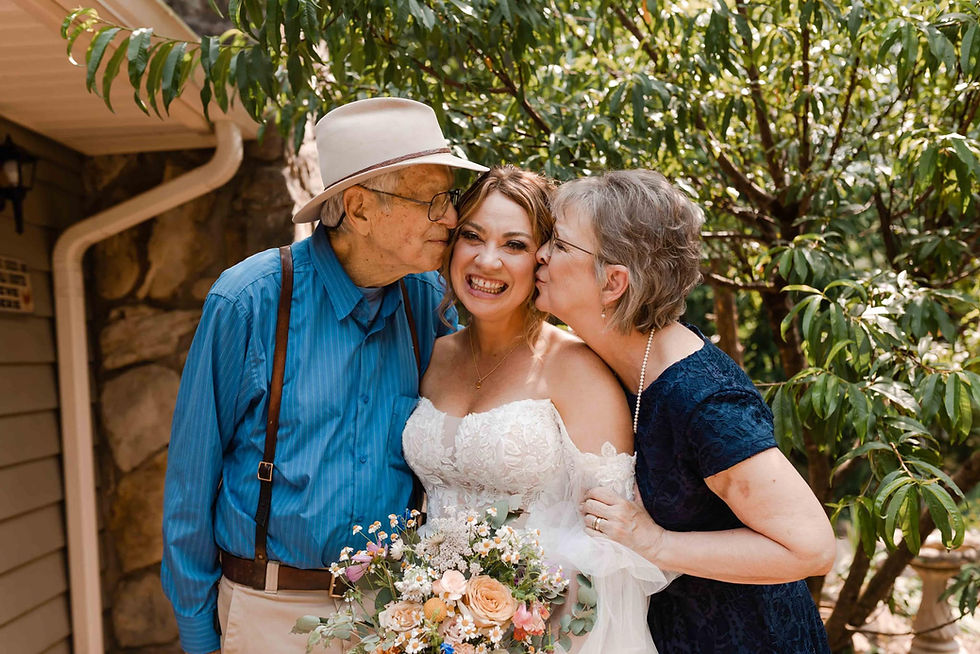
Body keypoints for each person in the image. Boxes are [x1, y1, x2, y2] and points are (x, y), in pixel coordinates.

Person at [162, 97, 487, 654]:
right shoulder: (250, 301)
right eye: (432, 201)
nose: (452, 219)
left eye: (451, 199)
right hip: (269, 614)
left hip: (394, 612)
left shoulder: (428, 302)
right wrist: (198, 636)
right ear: (359, 209)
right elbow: (191, 482)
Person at [534, 168, 837, 653]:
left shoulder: (705, 402)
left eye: (560, 244)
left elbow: (812, 548)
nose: (540, 253)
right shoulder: (615, 360)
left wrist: (655, 543)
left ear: (613, 282)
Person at [401, 166, 671, 654]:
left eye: (514, 245)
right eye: (472, 236)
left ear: (542, 259)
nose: (487, 261)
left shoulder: (578, 369)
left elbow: (611, 552)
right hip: (434, 631)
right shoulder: (432, 357)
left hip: (550, 637)